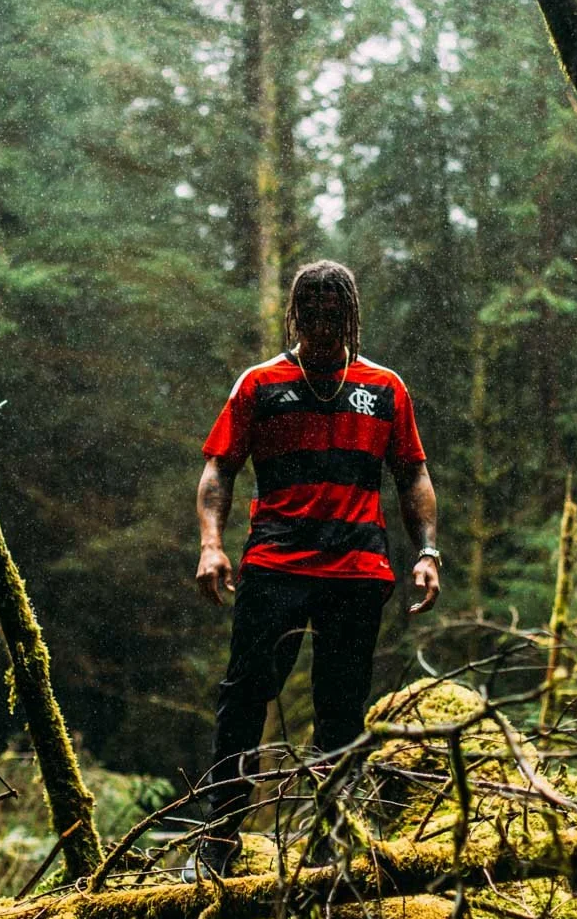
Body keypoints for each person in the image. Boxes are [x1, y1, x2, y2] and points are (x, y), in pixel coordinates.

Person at [188, 260, 440, 879]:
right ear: (295, 316)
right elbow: (219, 469)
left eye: (337, 315)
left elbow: (412, 474)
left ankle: (328, 844)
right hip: (275, 564)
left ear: (352, 316)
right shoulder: (260, 385)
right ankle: (219, 841)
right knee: (246, 695)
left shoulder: (386, 388)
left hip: (357, 570)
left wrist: (428, 551)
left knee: (341, 708)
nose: (326, 326)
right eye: (314, 315)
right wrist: (211, 545)